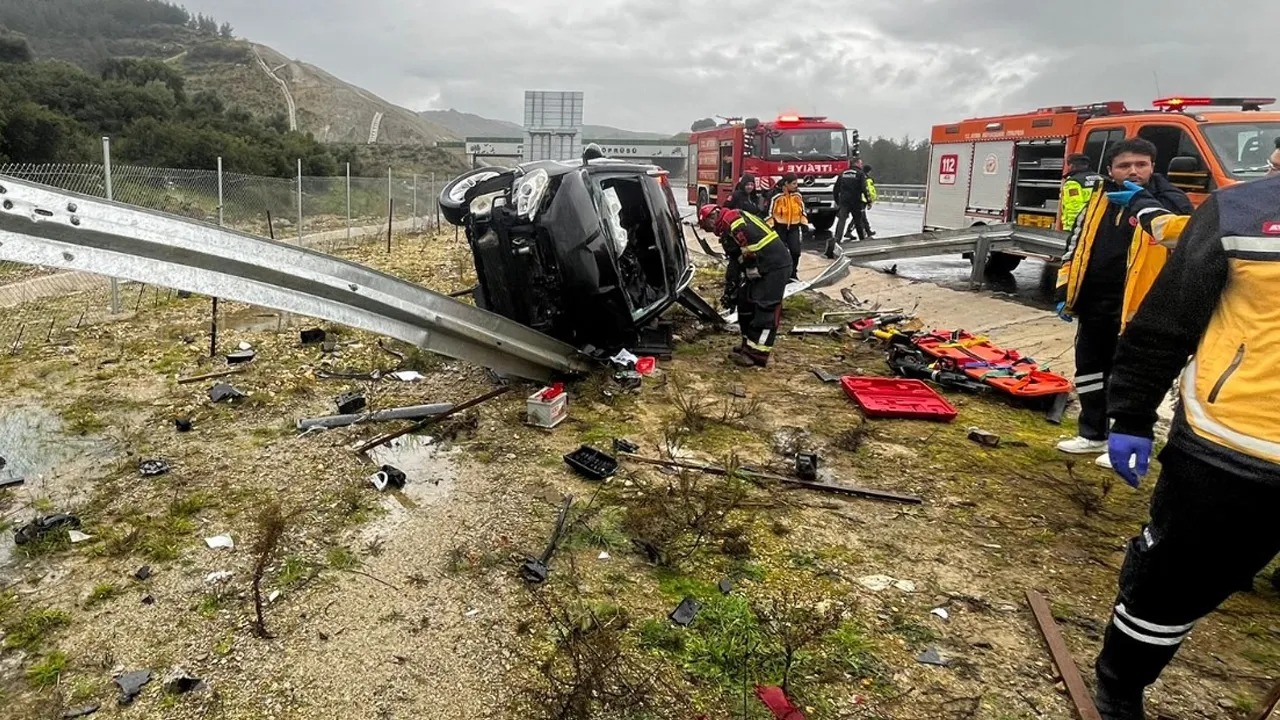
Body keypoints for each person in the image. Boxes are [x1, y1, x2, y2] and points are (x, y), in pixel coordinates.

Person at [1091, 162, 1280, 720]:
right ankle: (1120, 685)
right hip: (1233, 447)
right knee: (1173, 582)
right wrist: (1130, 414)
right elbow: (1168, 319)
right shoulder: (1242, 211)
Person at [1052, 138, 1193, 467]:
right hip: (1095, 303)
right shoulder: (1098, 200)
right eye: (1124, 165)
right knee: (1089, 371)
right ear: (1111, 170)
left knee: (1129, 378)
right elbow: (1076, 245)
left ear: (1152, 166)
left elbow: (1187, 251)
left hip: (1139, 309)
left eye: (1141, 164)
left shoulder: (1171, 202)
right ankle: (1091, 433)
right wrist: (1064, 291)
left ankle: (1126, 444)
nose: (1133, 170)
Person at [698, 203, 790, 368]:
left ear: (713, 217)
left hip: (775, 266)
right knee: (746, 303)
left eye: (708, 227)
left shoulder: (734, 223)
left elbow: (748, 252)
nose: (712, 232)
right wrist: (730, 288)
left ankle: (758, 354)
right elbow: (735, 260)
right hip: (762, 265)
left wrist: (750, 269)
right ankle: (747, 345)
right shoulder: (729, 226)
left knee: (765, 308)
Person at [768, 173, 807, 281]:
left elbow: (802, 211)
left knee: (795, 251)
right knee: (779, 253)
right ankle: (779, 274)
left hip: (794, 228)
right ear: (786, 184)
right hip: (779, 228)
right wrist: (770, 227)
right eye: (794, 183)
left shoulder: (798, 196)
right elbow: (769, 213)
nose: (796, 186)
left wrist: (804, 224)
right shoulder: (776, 196)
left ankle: (793, 273)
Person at [829, 162, 868, 257]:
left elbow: (836, 189)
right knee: (858, 221)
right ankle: (862, 240)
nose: (861, 165)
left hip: (844, 201)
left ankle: (837, 240)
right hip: (855, 201)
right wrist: (868, 200)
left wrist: (837, 201)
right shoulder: (860, 173)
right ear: (857, 164)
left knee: (841, 220)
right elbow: (864, 188)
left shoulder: (843, 173)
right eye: (860, 163)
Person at [1060, 153, 1098, 231]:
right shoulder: (1101, 178)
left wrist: (1073, 228)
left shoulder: (1073, 182)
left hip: (1078, 227)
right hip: (1097, 224)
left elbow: (1074, 207)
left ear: (1072, 166)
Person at [861, 164, 878, 238]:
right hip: (863, 199)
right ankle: (867, 231)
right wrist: (870, 200)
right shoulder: (867, 179)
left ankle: (867, 231)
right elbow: (868, 190)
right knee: (862, 217)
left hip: (863, 199)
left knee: (860, 217)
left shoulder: (862, 177)